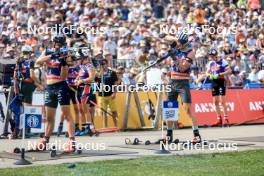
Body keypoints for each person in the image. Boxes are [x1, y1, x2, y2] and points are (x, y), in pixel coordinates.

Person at [35, 34, 75, 152]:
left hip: (61, 86)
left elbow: (64, 76)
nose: (59, 46)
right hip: (50, 87)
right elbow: (38, 62)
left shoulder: (66, 54)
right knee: (49, 118)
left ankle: (72, 142)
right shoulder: (47, 51)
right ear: (53, 43)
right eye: (57, 44)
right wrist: (52, 55)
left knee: (67, 115)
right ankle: (45, 141)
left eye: (61, 44)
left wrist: (63, 61)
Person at [165, 30, 202, 143]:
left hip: (183, 83)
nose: (178, 45)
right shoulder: (177, 45)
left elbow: (183, 68)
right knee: (170, 110)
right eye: (178, 42)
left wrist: (175, 59)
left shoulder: (191, 52)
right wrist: (176, 39)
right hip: (172, 82)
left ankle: (197, 135)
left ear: (185, 43)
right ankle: (169, 135)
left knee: (188, 109)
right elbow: (166, 37)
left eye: (181, 43)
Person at [12, 45, 44, 138]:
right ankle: (25, 131)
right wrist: (39, 84)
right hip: (28, 85)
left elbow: (15, 76)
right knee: (28, 109)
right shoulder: (31, 62)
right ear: (30, 53)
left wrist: (16, 88)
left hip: (20, 85)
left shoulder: (19, 61)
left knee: (22, 109)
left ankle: (22, 130)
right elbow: (32, 75)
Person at [206, 48, 232, 127]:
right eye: (210, 56)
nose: (211, 57)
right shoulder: (211, 63)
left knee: (222, 101)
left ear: (216, 55)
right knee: (215, 102)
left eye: (212, 56)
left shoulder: (223, 61)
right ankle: (219, 119)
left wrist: (220, 74)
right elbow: (207, 72)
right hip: (214, 82)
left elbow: (229, 70)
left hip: (221, 81)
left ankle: (226, 119)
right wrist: (209, 75)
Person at [57, 55, 81, 137]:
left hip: (75, 90)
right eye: (74, 60)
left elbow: (79, 78)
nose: (75, 62)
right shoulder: (67, 67)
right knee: (65, 111)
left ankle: (77, 127)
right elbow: (64, 78)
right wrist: (68, 86)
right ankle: (60, 126)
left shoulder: (79, 68)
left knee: (76, 109)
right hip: (67, 89)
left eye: (76, 60)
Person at [75, 49, 95, 136]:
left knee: (85, 109)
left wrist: (82, 81)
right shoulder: (82, 67)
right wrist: (76, 79)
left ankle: (89, 128)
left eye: (79, 58)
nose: (77, 60)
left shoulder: (89, 66)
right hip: (79, 89)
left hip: (86, 88)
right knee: (81, 110)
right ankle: (83, 127)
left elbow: (91, 78)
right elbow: (79, 76)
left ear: (84, 58)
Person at [95, 59, 118, 128]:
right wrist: (99, 75)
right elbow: (95, 82)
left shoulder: (112, 72)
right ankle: (105, 127)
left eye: (104, 64)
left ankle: (116, 126)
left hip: (110, 94)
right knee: (103, 111)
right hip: (101, 95)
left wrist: (114, 93)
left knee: (114, 111)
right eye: (101, 64)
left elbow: (115, 83)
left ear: (107, 64)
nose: (103, 66)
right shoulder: (98, 73)